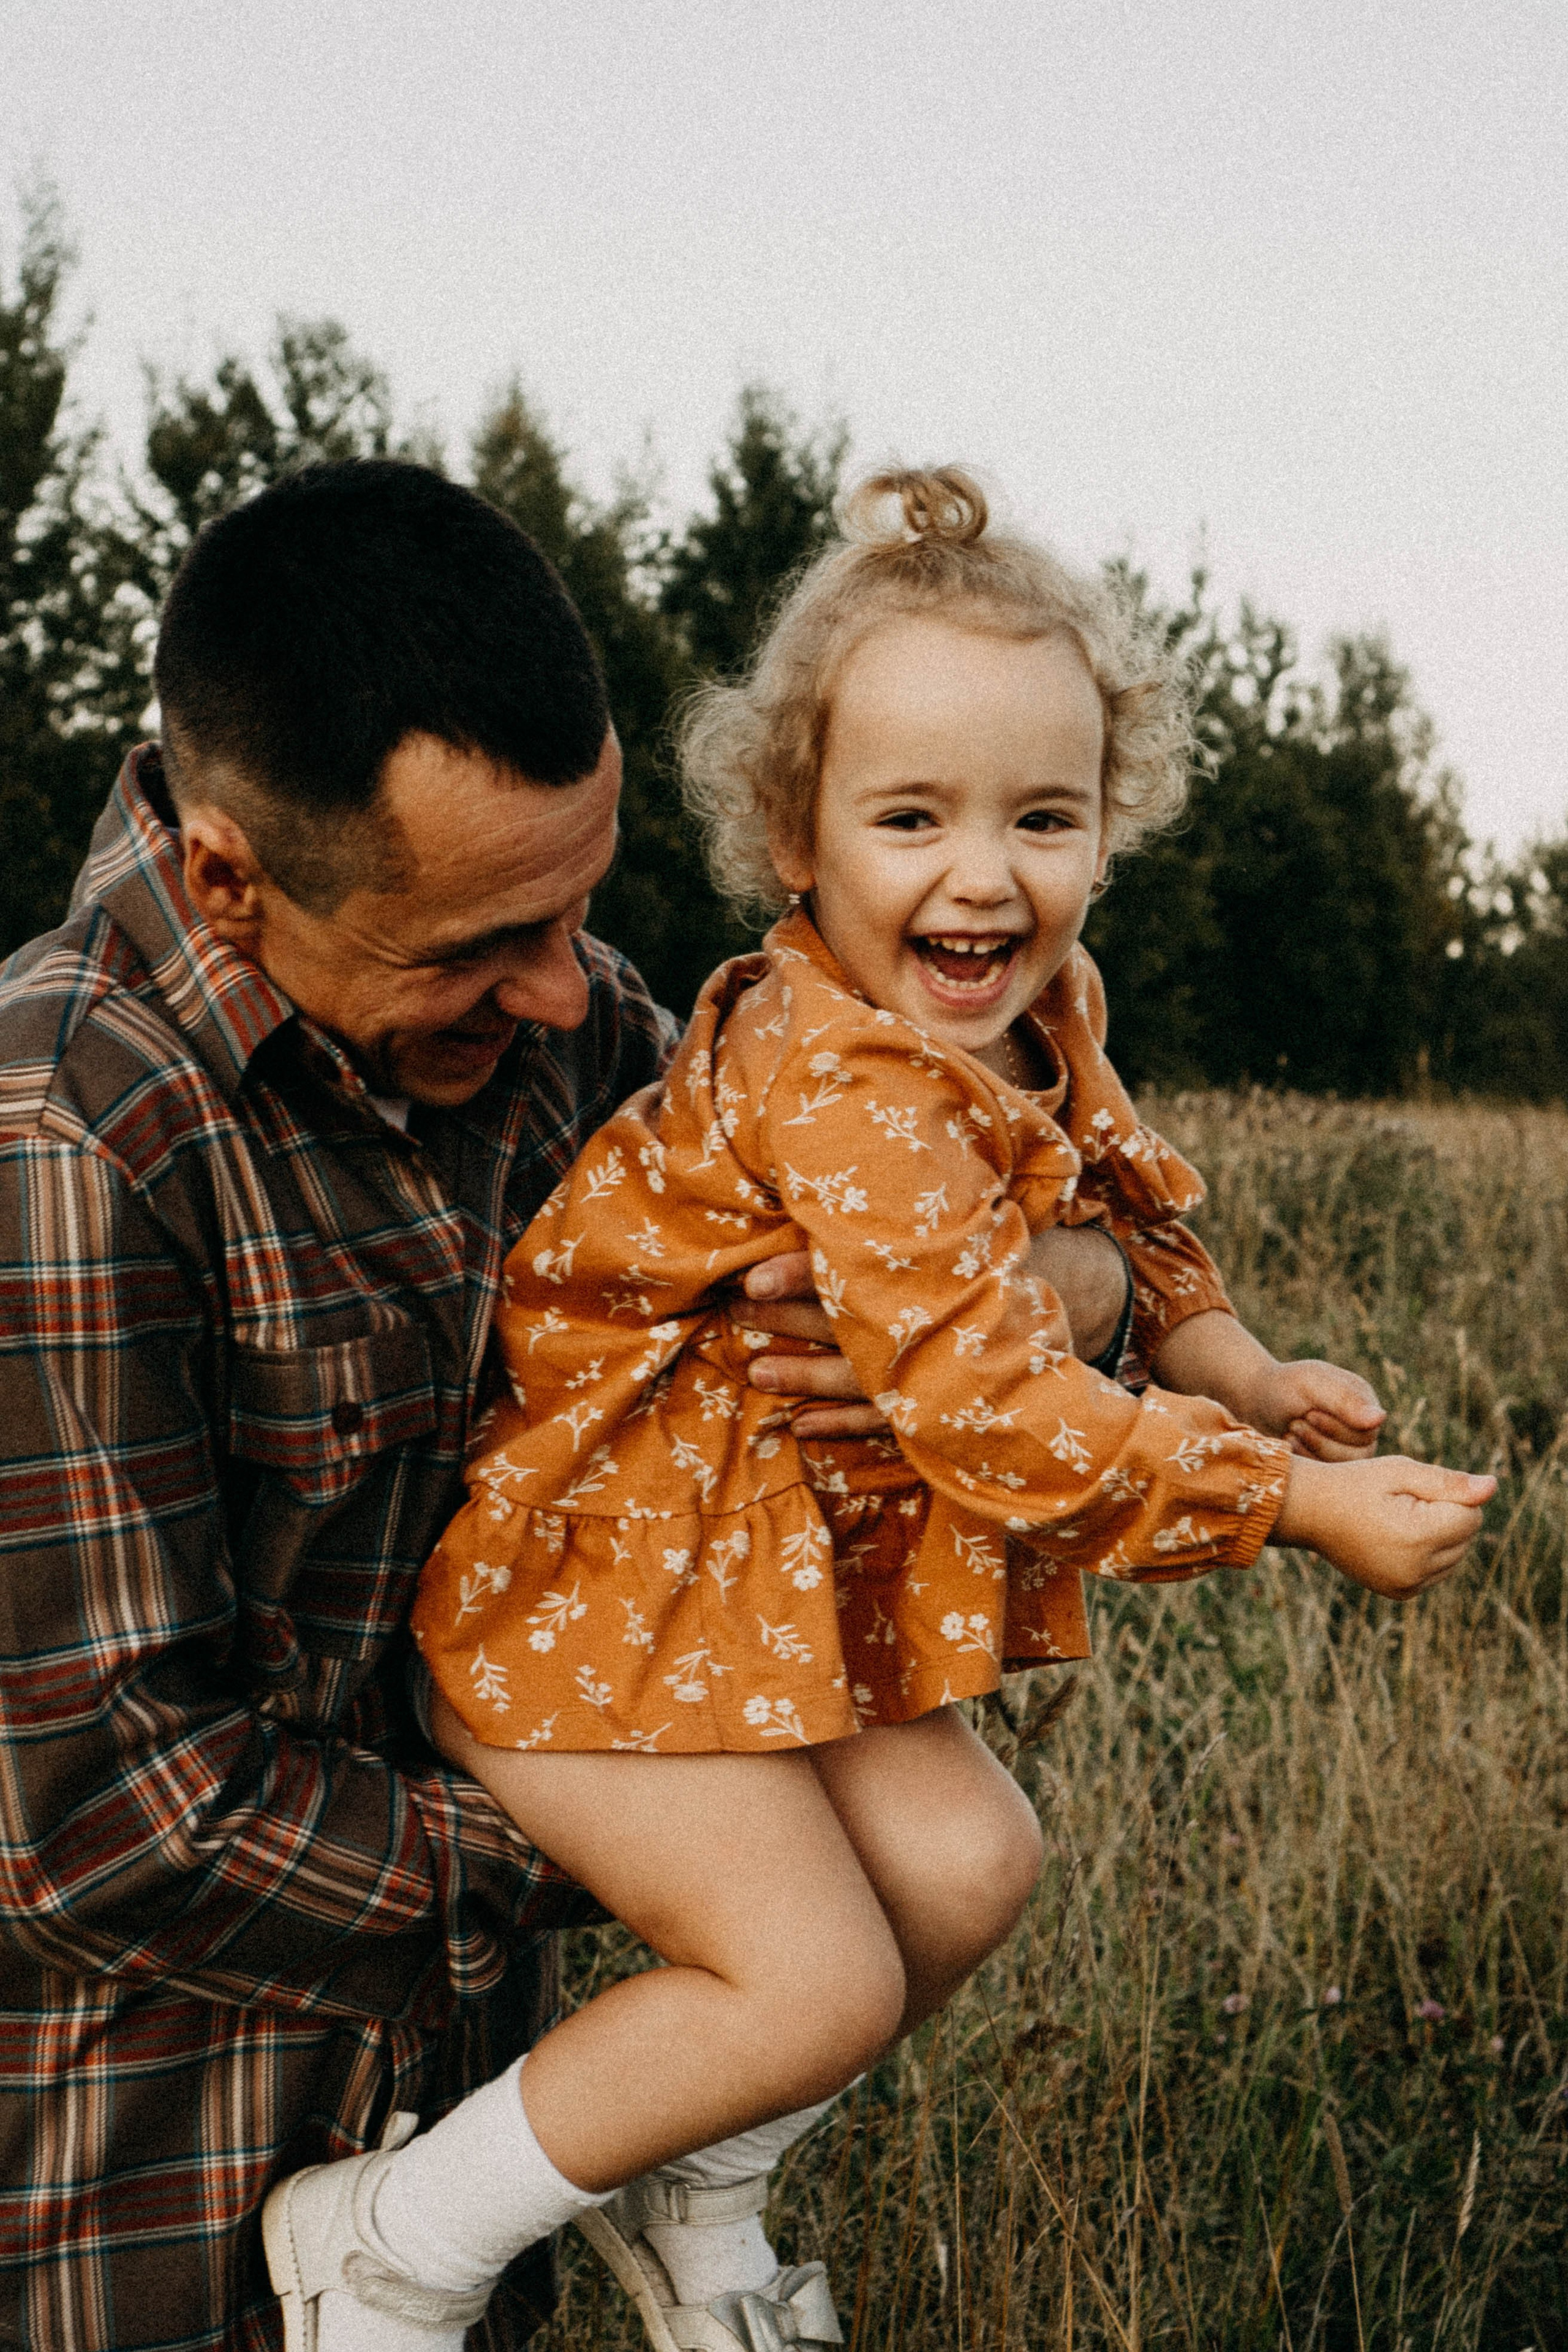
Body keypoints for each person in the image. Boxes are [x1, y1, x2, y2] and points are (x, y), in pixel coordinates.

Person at [265, 469, 1496, 2351]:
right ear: (800, 834)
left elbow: (1125, 1187)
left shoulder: (1036, 1004)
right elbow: (993, 1412)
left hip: (754, 1575)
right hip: (595, 1586)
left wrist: (1225, 1352)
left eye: (1044, 817)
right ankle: (389, 2244)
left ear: (1110, 827)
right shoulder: (836, 1072)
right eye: (912, 816)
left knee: (972, 1861)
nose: (983, 873)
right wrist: (1287, 1502)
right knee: (818, 1979)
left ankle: (704, 2170)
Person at [0, 458, 926, 2352]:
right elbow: (106, 1816)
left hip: (465, 2189)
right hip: (141, 2215)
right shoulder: (65, 1141)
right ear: (224, 877)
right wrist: (681, 1846)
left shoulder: (551, 1039)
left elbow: (903, 1187)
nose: (571, 990)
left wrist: (1042, 1292)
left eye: (579, 907)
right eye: (481, 946)